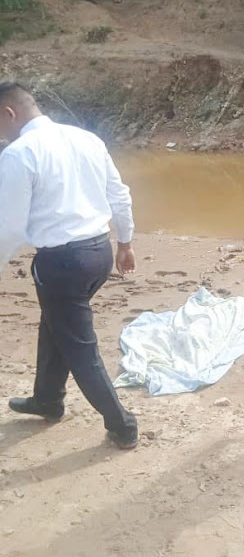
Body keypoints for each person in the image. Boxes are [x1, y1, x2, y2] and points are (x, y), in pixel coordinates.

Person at [0, 82, 139, 449]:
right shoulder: (86, 139)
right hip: (99, 253)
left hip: (61, 263)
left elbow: (9, 226)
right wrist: (125, 242)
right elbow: (119, 194)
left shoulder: (19, 154)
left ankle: (121, 423)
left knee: (79, 345)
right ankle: (47, 398)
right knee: (56, 324)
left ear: (9, 114)